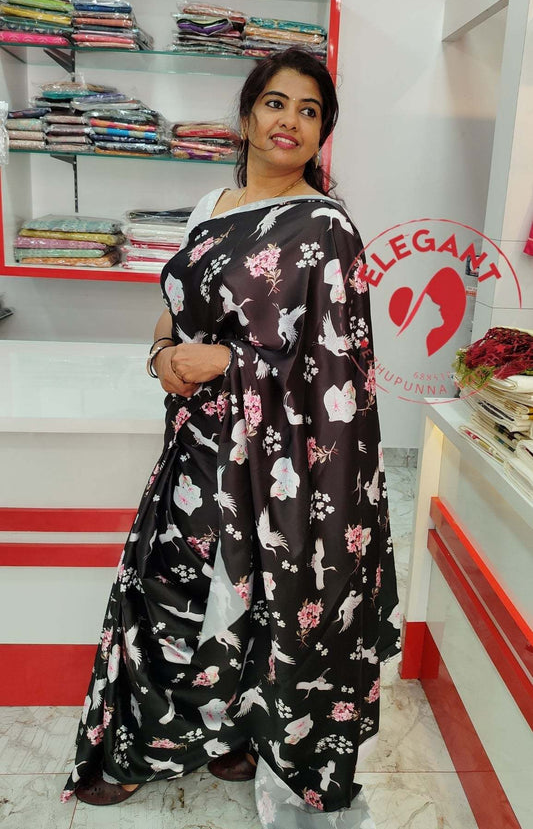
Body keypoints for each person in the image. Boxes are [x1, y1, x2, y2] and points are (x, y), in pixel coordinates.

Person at [62, 47, 400, 828]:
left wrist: (228, 360)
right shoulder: (213, 203)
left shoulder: (324, 229)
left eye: (309, 110)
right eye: (276, 103)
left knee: (261, 604)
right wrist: (161, 355)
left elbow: (336, 373)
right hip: (195, 449)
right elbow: (176, 305)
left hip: (276, 466)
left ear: (322, 134)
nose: (289, 120)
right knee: (171, 594)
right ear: (248, 114)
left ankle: (244, 739)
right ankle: (153, 741)